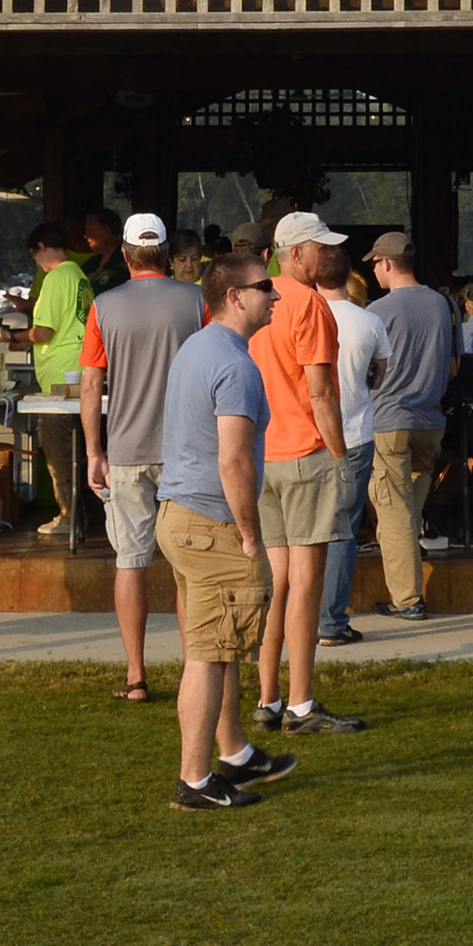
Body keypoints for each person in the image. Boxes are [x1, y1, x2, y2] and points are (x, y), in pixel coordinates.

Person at [154, 253, 299, 809]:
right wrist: (249, 535)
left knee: (219, 644)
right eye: (266, 288)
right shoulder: (236, 367)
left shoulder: (199, 346)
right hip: (211, 524)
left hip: (181, 516)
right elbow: (235, 461)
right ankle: (194, 782)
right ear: (235, 296)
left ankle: (235, 754)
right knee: (210, 654)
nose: (275, 296)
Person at [81, 212, 207, 702]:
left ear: (128, 254)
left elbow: (92, 384)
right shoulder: (197, 300)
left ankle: (136, 675)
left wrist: (95, 450)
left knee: (131, 563)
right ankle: (195, 667)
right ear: (164, 253)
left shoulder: (104, 306)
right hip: (187, 449)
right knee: (187, 567)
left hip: (128, 450)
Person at [248, 212, 362, 734]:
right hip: (305, 455)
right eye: (320, 248)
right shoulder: (309, 303)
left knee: (277, 584)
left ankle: (268, 698)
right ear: (295, 253)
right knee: (307, 587)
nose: (328, 255)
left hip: (262, 455)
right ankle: (300, 704)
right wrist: (340, 456)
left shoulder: (250, 297)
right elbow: (320, 393)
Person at [360, 232, 457, 619]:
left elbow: (364, 370)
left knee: (393, 513)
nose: (373, 270)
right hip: (431, 420)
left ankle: (408, 599)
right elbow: (453, 368)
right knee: (404, 513)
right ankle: (404, 585)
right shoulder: (444, 304)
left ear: (386, 263)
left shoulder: (378, 312)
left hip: (389, 420)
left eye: (375, 264)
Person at [0, 222, 97, 530]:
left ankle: (70, 518)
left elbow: (43, 332)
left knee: (58, 446)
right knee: (76, 448)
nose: (37, 263)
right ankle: (79, 515)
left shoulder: (56, 279)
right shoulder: (79, 277)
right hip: (81, 371)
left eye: (34, 256)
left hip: (61, 376)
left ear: (41, 248)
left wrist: (11, 337)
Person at [317, 247, 387, 646]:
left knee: (301, 529)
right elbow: (378, 376)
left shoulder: (301, 316)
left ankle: (299, 613)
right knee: (343, 529)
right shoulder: (370, 321)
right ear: (350, 278)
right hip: (355, 432)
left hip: (308, 434)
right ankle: (331, 621)